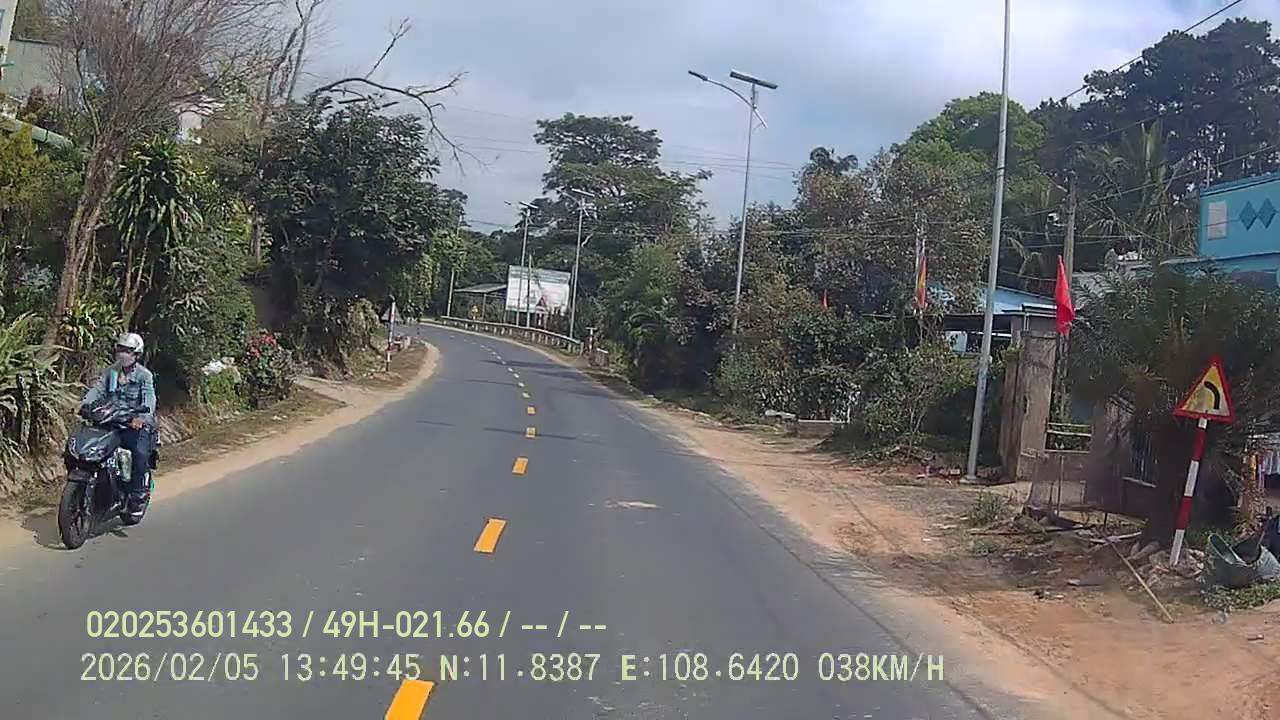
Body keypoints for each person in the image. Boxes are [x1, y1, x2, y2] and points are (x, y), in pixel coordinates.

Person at [81, 332, 157, 513]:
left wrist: (141, 418)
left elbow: (149, 399)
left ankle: (137, 495)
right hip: (111, 421)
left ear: (136, 354)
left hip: (134, 424)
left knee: (139, 453)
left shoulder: (144, 375)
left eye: (127, 351)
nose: (123, 354)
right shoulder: (111, 372)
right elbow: (97, 390)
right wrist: (85, 404)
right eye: (120, 349)